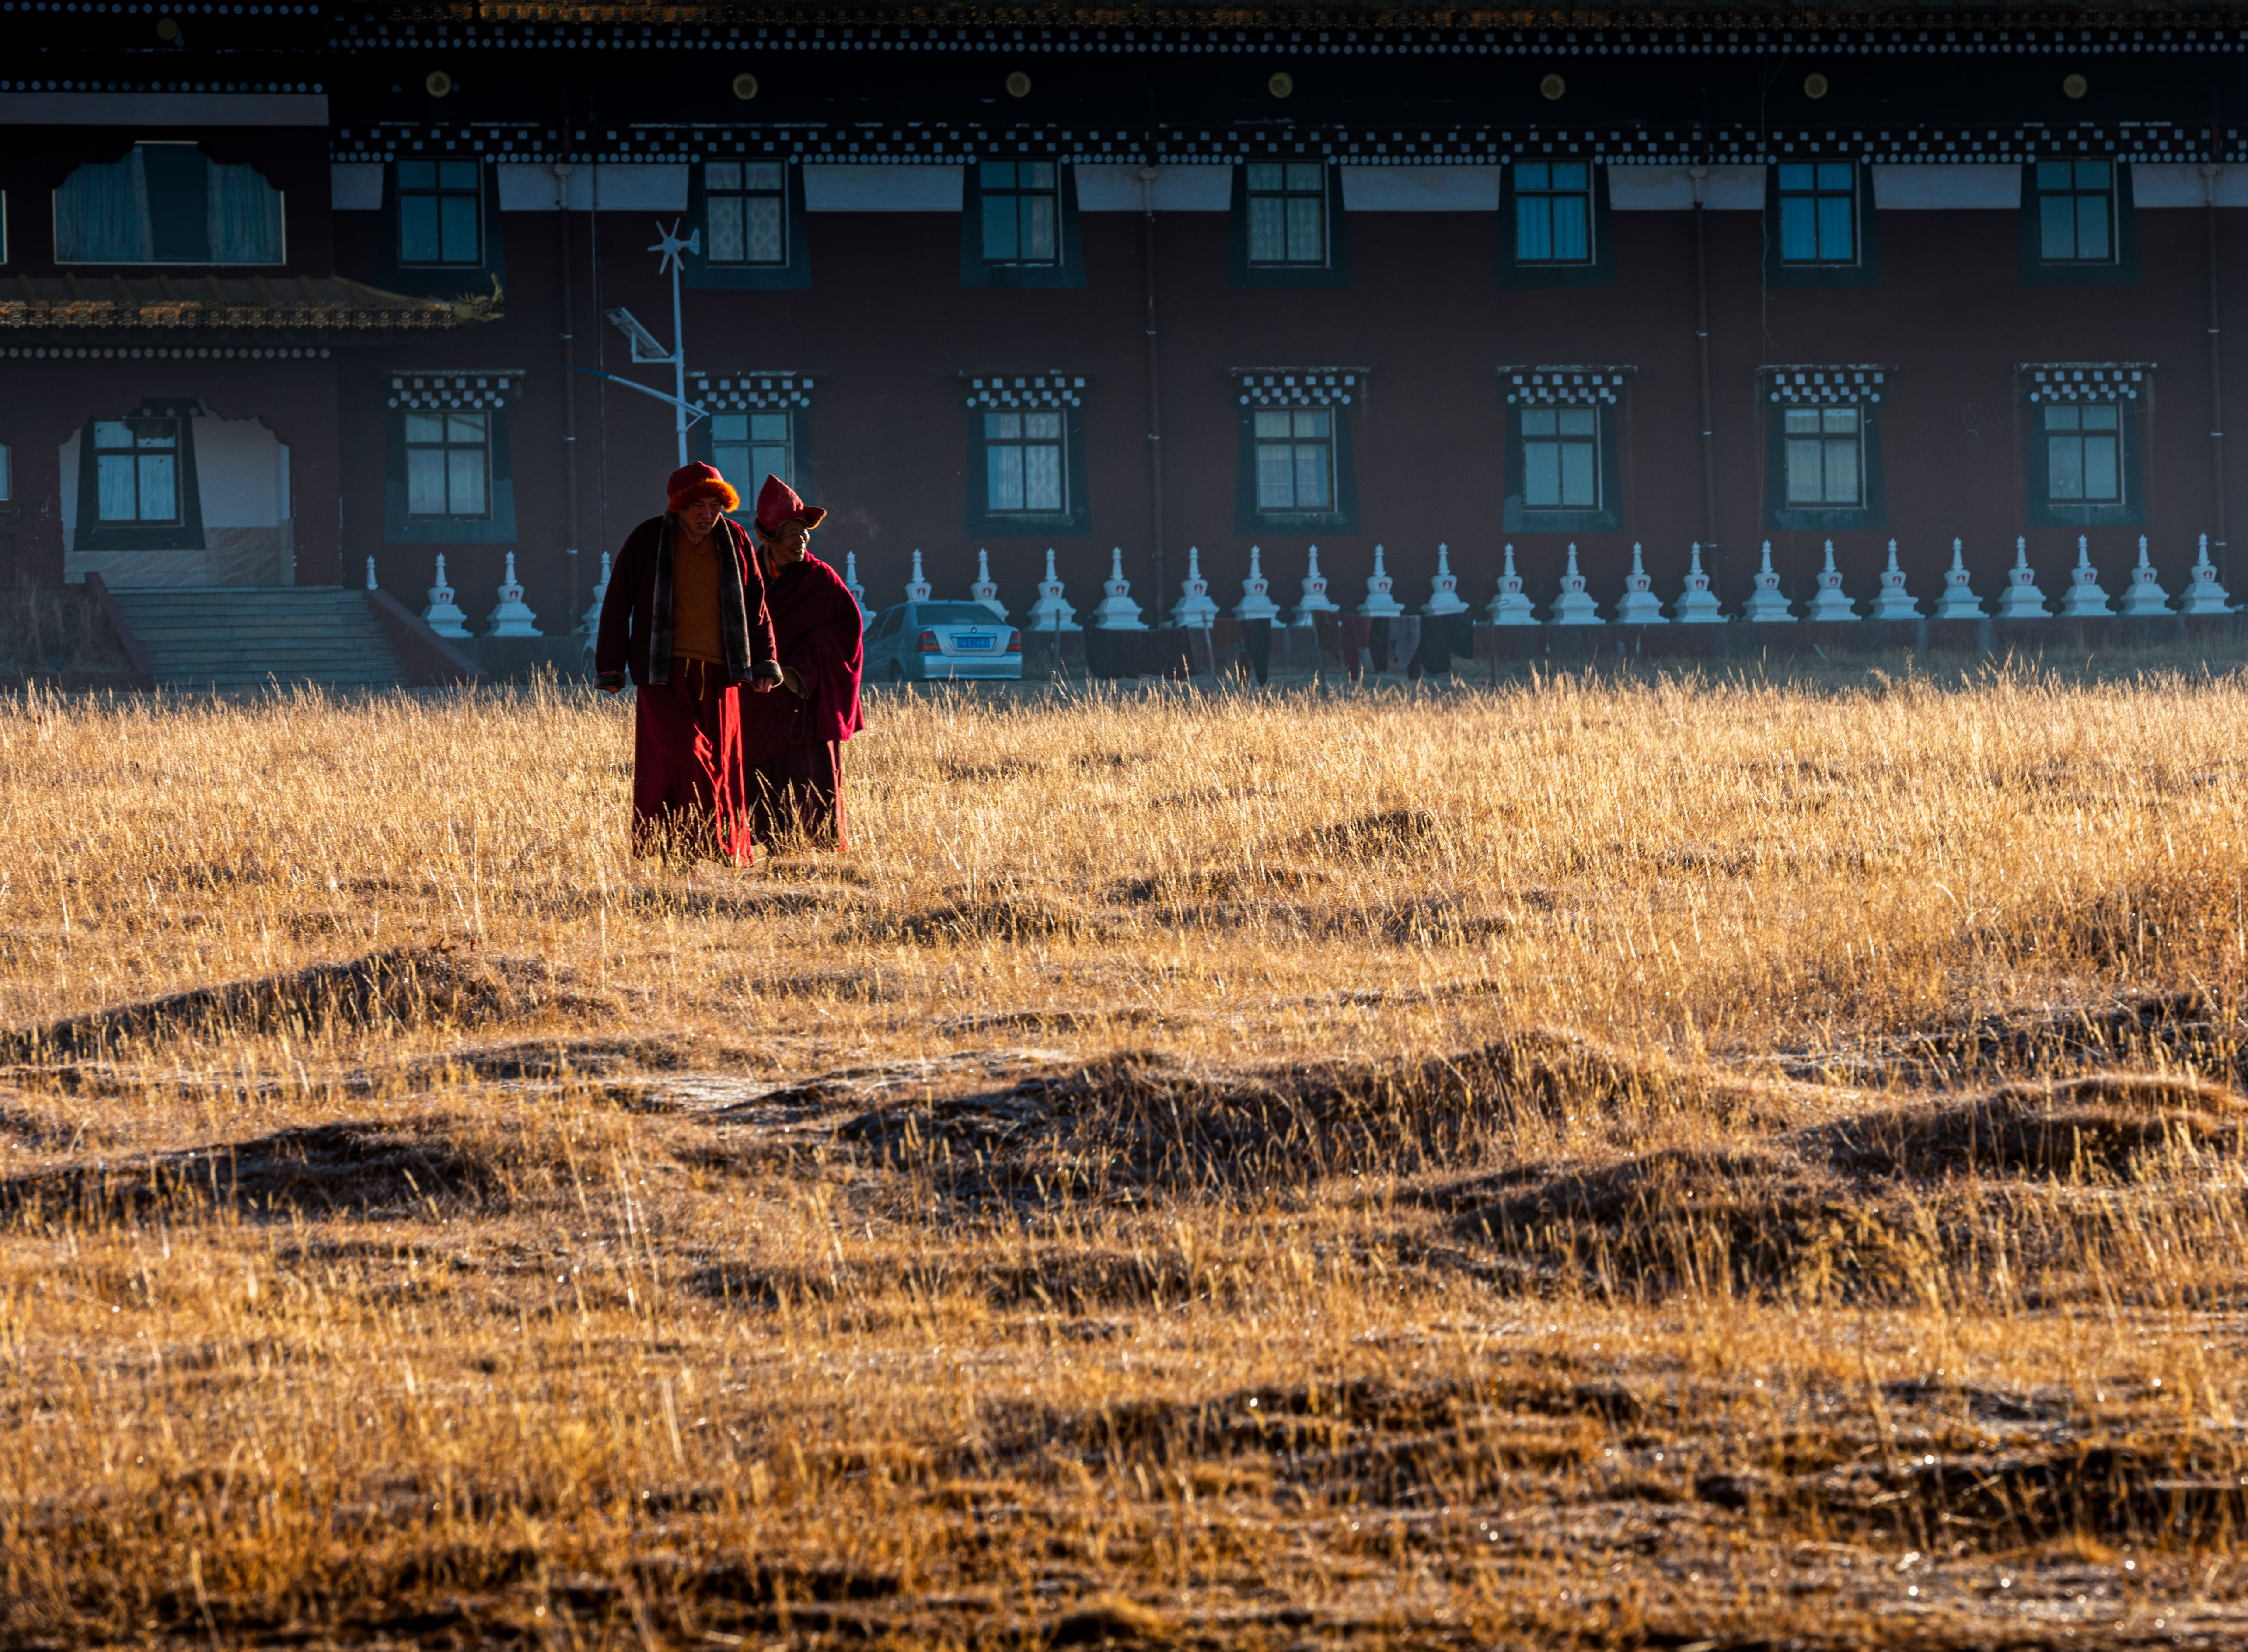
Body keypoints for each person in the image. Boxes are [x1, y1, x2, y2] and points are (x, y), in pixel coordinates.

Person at [593, 461, 783, 862]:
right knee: (686, 754)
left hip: (722, 672)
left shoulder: (734, 539)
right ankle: (681, 846)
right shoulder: (648, 539)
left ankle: (716, 853)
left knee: (723, 761)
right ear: (678, 506)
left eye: (715, 504)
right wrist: (611, 666)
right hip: (663, 673)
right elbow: (617, 603)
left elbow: (756, 603)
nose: (706, 514)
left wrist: (765, 660)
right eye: (696, 505)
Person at [739, 474, 865, 851]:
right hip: (759, 698)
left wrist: (806, 662)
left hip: (804, 698)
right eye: (792, 534)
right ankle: (771, 845)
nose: (802, 541)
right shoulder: (747, 576)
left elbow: (849, 629)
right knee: (762, 773)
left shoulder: (819, 578)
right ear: (769, 538)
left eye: (804, 532)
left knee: (814, 774)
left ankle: (822, 850)